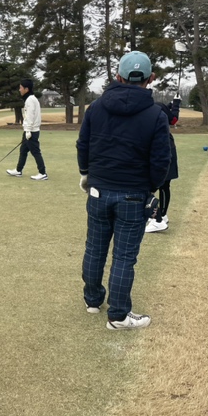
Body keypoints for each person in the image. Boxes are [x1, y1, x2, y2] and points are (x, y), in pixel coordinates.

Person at [76, 52, 171, 330]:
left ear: (118, 76)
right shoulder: (156, 114)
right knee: (124, 257)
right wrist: (150, 187)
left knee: (95, 248)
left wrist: (86, 173)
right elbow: (161, 160)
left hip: (99, 190)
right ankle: (118, 315)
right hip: (133, 194)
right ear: (150, 78)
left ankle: (93, 300)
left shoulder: (96, 107)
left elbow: (83, 145)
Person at [145, 98, 180, 233]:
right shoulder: (157, 106)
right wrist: (174, 104)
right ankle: (159, 216)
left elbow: (174, 120)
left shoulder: (154, 107)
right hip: (160, 146)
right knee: (160, 185)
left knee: (164, 184)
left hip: (165, 148)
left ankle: (160, 218)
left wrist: (176, 104)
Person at [6, 78, 48, 181]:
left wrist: (28, 130)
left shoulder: (30, 100)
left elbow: (30, 116)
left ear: (26, 89)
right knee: (23, 151)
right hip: (29, 130)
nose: (19, 90)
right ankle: (18, 170)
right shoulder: (31, 99)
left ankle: (42, 173)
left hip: (31, 131)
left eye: (21, 88)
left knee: (35, 152)